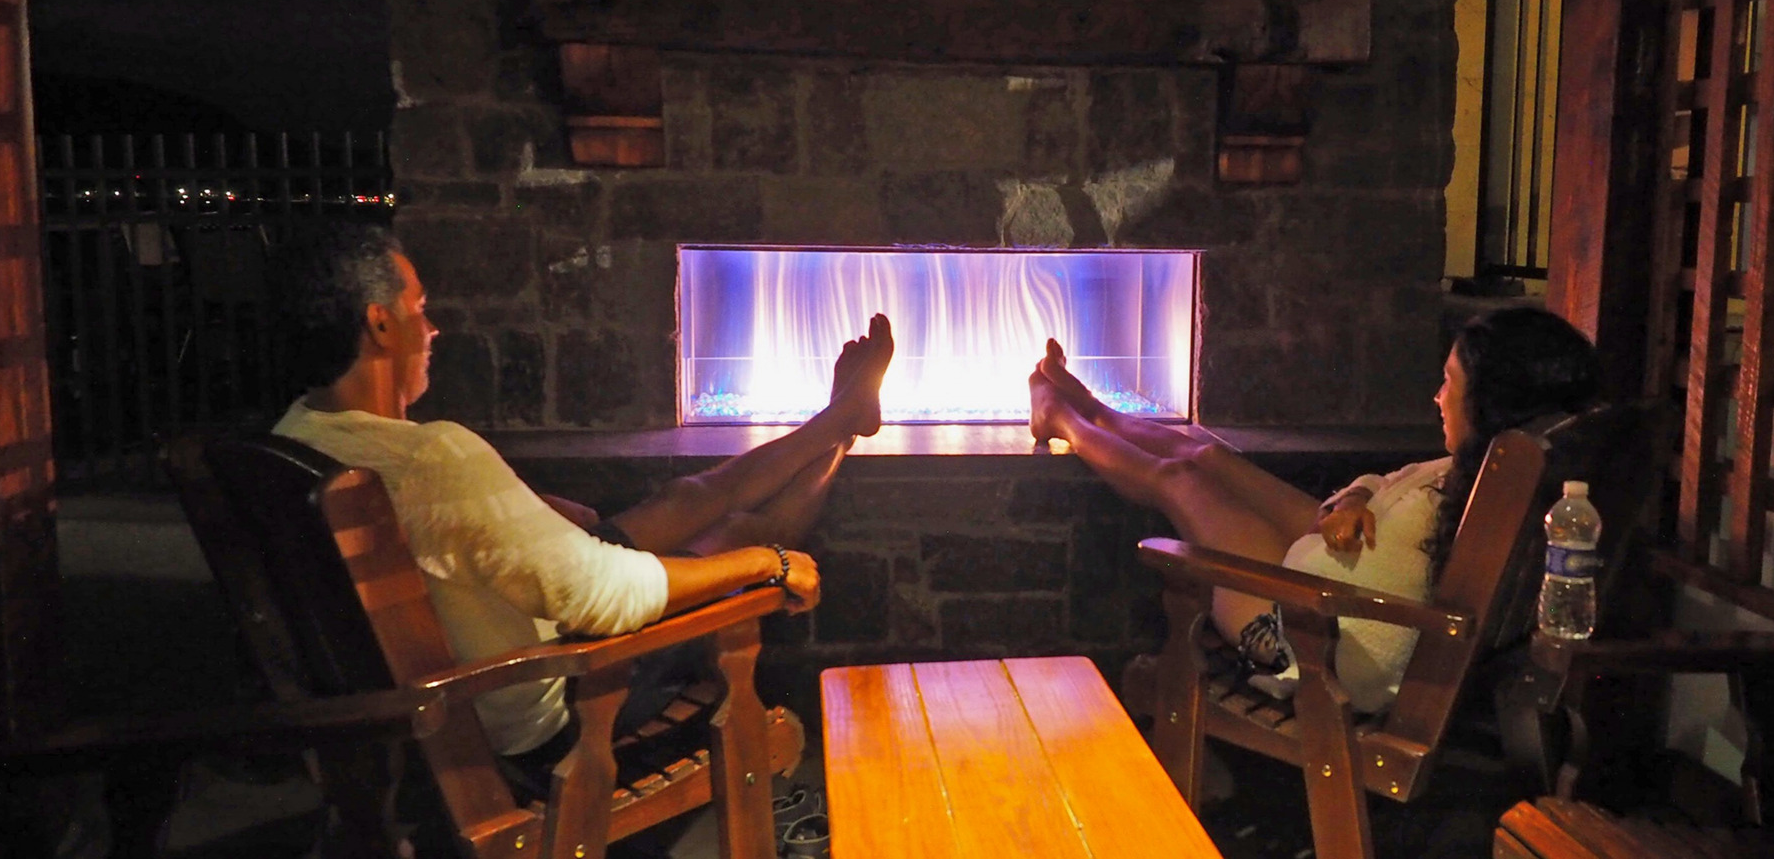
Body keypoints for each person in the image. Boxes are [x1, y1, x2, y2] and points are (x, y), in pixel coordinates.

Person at [269, 223, 893, 780]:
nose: (431, 329)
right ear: (380, 324)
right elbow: (603, 600)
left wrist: (521, 508)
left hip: (488, 638)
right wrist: (770, 563)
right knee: (735, 536)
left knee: (690, 495)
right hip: (550, 698)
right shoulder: (432, 459)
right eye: (420, 309)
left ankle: (838, 419)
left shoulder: (297, 437)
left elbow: (445, 534)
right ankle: (842, 428)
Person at [1028, 305, 1602, 711]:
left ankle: (1061, 419)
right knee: (1205, 455)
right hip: (1326, 576)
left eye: (1449, 382)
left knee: (1181, 480)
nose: (1437, 396)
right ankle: (1089, 406)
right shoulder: (1486, 465)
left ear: (1491, 398)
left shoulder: (1485, 484)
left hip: (1307, 635)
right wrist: (1354, 498)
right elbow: (1386, 479)